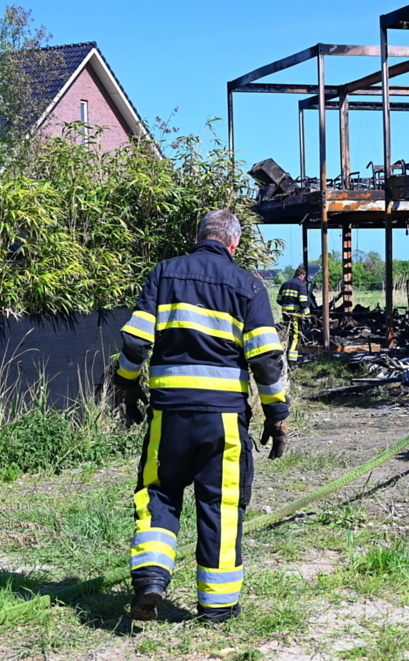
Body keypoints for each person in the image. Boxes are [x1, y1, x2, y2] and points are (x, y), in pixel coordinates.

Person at [113, 210, 290, 624]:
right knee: (222, 506)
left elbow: (136, 342)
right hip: (223, 421)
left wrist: (126, 386)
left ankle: (152, 580)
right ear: (234, 244)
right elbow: (266, 360)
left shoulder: (164, 273)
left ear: (199, 237)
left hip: (168, 417)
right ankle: (217, 607)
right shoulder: (248, 285)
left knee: (158, 493)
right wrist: (276, 415)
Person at [276, 267, 312, 364]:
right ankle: (292, 361)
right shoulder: (301, 285)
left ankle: (286, 355)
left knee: (289, 334)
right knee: (295, 335)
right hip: (295, 314)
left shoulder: (285, 284)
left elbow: (279, 300)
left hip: (285, 313)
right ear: (302, 276)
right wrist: (308, 315)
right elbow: (303, 302)